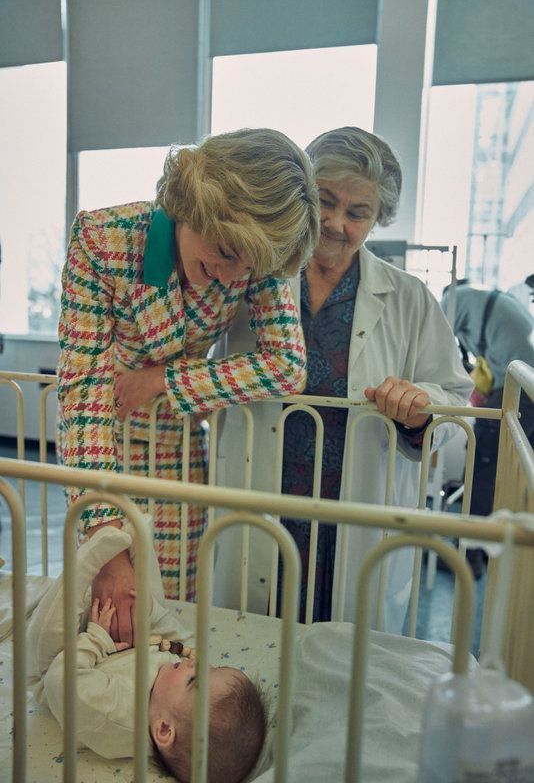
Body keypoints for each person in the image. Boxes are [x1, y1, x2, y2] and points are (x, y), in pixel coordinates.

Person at [56, 127, 320, 646]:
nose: (229, 278)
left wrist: (164, 379)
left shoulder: (251, 253)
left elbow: (287, 365)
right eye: (223, 252)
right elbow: (83, 397)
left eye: (247, 267)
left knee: (171, 609)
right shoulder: (104, 239)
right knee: (102, 609)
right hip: (100, 444)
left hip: (179, 446)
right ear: (193, 206)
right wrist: (105, 539)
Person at [214, 126, 472, 631]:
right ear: (304, 195)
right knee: (244, 662)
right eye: (325, 202)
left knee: (345, 676)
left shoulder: (408, 298)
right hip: (260, 496)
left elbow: (457, 399)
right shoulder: (253, 272)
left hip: (354, 515)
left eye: (358, 213)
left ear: (378, 219)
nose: (334, 223)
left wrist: (422, 408)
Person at [27, 524, 267, 783]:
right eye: (211, 668)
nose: (192, 665)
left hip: (55, 664)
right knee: (151, 600)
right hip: (107, 638)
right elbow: (171, 631)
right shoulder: (169, 687)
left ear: (164, 729)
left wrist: (96, 639)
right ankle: (132, 541)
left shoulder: (118, 718)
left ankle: (91, 557)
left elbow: (61, 681)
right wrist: (144, 607)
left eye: (193, 681)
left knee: (44, 637)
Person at [441, 282, 534, 520]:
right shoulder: (488, 299)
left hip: (518, 386)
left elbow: (433, 341)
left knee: (481, 460)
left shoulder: (453, 298)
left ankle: (468, 546)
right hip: (524, 384)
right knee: (516, 468)